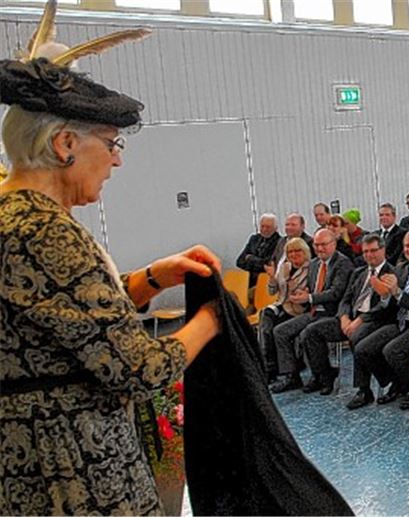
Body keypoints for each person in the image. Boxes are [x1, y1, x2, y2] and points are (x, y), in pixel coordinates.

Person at [0, 31, 223, 514]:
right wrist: (213, 318)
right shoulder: (43, 231)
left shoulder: (12, 214)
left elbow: (71, 318)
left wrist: (152, 278)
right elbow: (139, 368)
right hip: (74, 462)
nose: (117, 159)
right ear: (64, 144)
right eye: (110, 142)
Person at [355, 230, 409, 410]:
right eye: (406, 245)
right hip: (400, 322)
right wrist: (384, 296)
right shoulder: (401, 267)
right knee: (362, 348)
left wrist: (396, 292)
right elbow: (392, 304)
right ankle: (396, 381)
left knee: (392, 350)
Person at [298, 234, 394, 398]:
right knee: (310, 332)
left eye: (373, 251)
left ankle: (363, 390)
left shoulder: (391, 272)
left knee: (356, 337)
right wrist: (344, 317)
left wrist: (359, 320)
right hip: (349, 320)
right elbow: (346, 299)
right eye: (365, 252)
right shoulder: (359, 273)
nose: (369, 255)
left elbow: (385, 306)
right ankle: (324, 376)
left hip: (374, 320)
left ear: (383, 250)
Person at [269, 229, 354, 393]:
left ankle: (323, 376)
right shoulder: (314, 264)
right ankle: (291, 376)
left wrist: (309, 297)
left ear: (333, 244)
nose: (320, 248)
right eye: (316, 244)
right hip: (314, 312)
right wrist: (303, 294)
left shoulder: (343, 263)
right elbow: (311, 288)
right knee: (280, 331)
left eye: (323, 244)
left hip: (334, 314)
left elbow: (336, 293)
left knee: (307, 333)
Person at [259, 237, 311, 380]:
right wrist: (272, 278)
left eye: (297, 251)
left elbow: (309, 294)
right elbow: (272, 291)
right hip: (282, 305)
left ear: (305, 252)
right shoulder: (284, 267)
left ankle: (287, 372)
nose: (294, 254)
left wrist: (301, 293)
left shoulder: (311, 268)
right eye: (290, 252)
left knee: (278, 328)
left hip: (300, 309)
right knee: (267, 318)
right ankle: (270, 367)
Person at [237, 213, 282, 286]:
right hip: (249, 282)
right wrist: (260, 263)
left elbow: (270, 264)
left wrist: (250, 258)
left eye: (268, 227)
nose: (264, 229)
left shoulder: (280, 242)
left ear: (275, 228)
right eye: (262, 226)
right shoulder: (254, 239)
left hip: (268, 282)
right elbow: (239, 261)